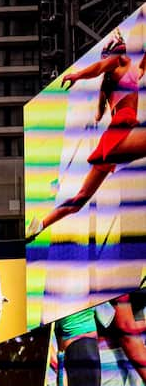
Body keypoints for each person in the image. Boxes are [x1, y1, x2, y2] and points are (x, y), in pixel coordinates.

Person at [27, 31, 146, 242]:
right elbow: (99, 68)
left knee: (80, 198)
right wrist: (77, 75)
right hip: (120, 133)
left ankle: (40, 225)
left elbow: (102, 110)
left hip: (112, 140)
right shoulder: (117, 65)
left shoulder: (126, 72)